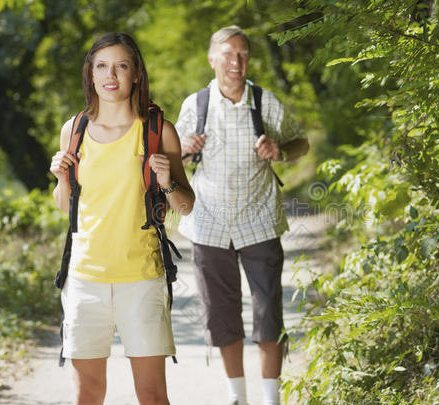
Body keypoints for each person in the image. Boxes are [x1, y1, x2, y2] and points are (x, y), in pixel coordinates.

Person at [49, 32, 194, 405]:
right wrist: (62, 178)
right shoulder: (74, 130)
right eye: (102, 66)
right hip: (84, 281)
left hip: (142, 281)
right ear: (91, 74)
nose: (110, 75)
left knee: (151, 395)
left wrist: (166, 182)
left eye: (121, 66)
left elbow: (185, 205)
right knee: (88, 394)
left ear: (136, 74)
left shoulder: (158, 131)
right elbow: (66, 208)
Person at [175, 25, 309, 405]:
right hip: (209, 223)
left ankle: (272, 399)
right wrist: (185, 148)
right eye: (228, 53)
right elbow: (172, 161)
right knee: (222, 314)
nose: (236, 61)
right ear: (212, 58)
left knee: (269, 312)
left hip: (260, 220)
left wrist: (279, 150)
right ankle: (237, 396)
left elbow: (301, 141)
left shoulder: (265, 102)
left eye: (243, 54)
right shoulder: (195, 105)